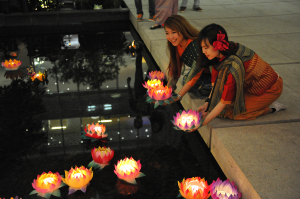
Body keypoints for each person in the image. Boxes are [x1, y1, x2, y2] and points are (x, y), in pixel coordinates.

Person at [196, 23, 287, 127]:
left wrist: (203, 122)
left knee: (234, 113)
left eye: (206, 47)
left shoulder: (234, 65)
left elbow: (223, 103)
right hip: (250, 87)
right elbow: (215, 85)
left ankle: (271, 108)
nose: (203, 51)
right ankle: (258, 104)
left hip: (270, 89)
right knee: (218, 110)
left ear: (217, 45)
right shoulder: (221, 55)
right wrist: (207, 104)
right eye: (202, 47)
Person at [164, 15, 210, 101]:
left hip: (214, 75)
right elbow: (175, 68)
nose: (170, 37)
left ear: (183, 29)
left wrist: (179, 96)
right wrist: (168, 91)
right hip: (203, 74)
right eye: (167, 33)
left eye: (173, 32)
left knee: (200, 88)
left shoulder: (196, 46)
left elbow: (195, 75)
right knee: (186, 81)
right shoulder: (177, 45)